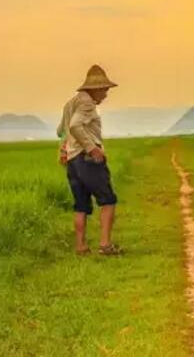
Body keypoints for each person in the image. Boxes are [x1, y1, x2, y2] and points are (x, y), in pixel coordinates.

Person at [57, 65, 122, 256]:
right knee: (108, 200)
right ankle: (105, 245)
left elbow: (61, 130)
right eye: (105, 90)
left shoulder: (70, 104)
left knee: (81, 205)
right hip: (86, 159)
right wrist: (92, 149)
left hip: (73, 161)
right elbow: (75, 126)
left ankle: (81, 246)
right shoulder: (87, 104)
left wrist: (64, 149)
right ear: (96, 89)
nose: (106, 95)